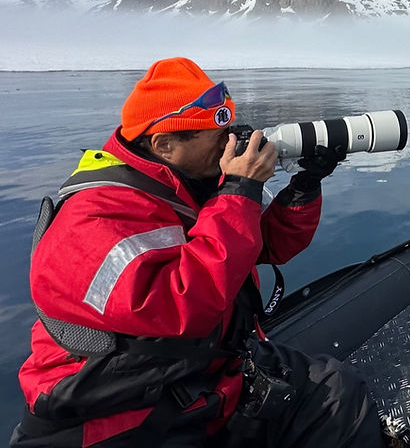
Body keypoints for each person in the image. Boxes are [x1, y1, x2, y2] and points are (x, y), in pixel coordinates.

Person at [11, 57, 389, 447]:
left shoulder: (183, 182)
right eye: (217, 136)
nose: (231, 144)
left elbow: (265, 245)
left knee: (338, 394)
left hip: (194, 375)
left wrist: (304, 185)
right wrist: (239, 191)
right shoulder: (92, 219)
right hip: (118, 413)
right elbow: (182, 304)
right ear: (165, 144)